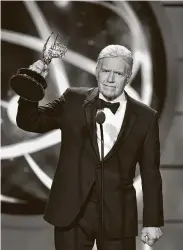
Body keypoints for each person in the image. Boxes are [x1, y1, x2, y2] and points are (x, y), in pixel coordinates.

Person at [16, 45, 164, 250]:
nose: (110, 79)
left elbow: (151, 173)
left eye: (118, 73)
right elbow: (30, 122)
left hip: (118, 216)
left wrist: (152, 221)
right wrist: (30, 86)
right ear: (97, 71)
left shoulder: (146, 117)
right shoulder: (73, 100)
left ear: (128, 76)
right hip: (71, 213)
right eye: (105, 71)